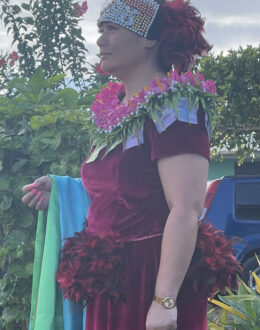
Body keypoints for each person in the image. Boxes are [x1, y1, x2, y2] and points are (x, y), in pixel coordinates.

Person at [22, 0, 241, 329]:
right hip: (110, 278)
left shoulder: (177, 106)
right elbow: (124, 193)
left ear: (149, 40)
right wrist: (59, 190)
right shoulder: (113, 113)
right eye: (100, 30)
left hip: (149, 275)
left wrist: (164, 301)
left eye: (113, 29)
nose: (100, 40)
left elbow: (185, 209)